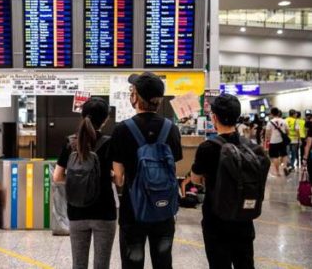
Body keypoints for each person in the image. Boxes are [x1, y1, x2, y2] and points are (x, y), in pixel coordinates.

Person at [110, 72, 183, 269]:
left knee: (132, 263)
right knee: (163, 262)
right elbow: (173, 166)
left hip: (133, 210)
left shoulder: (122, 129)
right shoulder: (171, 128)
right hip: (164, 209)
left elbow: (119, 179)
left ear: (135, 97)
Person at [191, 94, 257, 269]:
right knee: (245, 264)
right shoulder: (250, 147)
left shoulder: (207, 148)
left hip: (216, 220)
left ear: (214, 118)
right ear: (237, 117)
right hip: (244, 218)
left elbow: (195, 179)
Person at [53, 97, 116, 269]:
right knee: (101, 265)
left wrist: (76, 180)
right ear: (105, 119)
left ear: (82, 116)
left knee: (78, 265)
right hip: (105, 212)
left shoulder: (71, 143)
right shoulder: (110, 143)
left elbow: (57, 177)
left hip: (77, 211)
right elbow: (119, 179)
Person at [266, 107, 289, 176]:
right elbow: (287, 131)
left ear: (271, 113)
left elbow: (267, 133)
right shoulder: (284, 121)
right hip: (282, 141)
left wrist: (267, 139)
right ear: (278, 113)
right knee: (284, 154)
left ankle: (278, 172)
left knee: (275, 156)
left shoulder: (270, 122)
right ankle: (285, 166)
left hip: (273, 141)